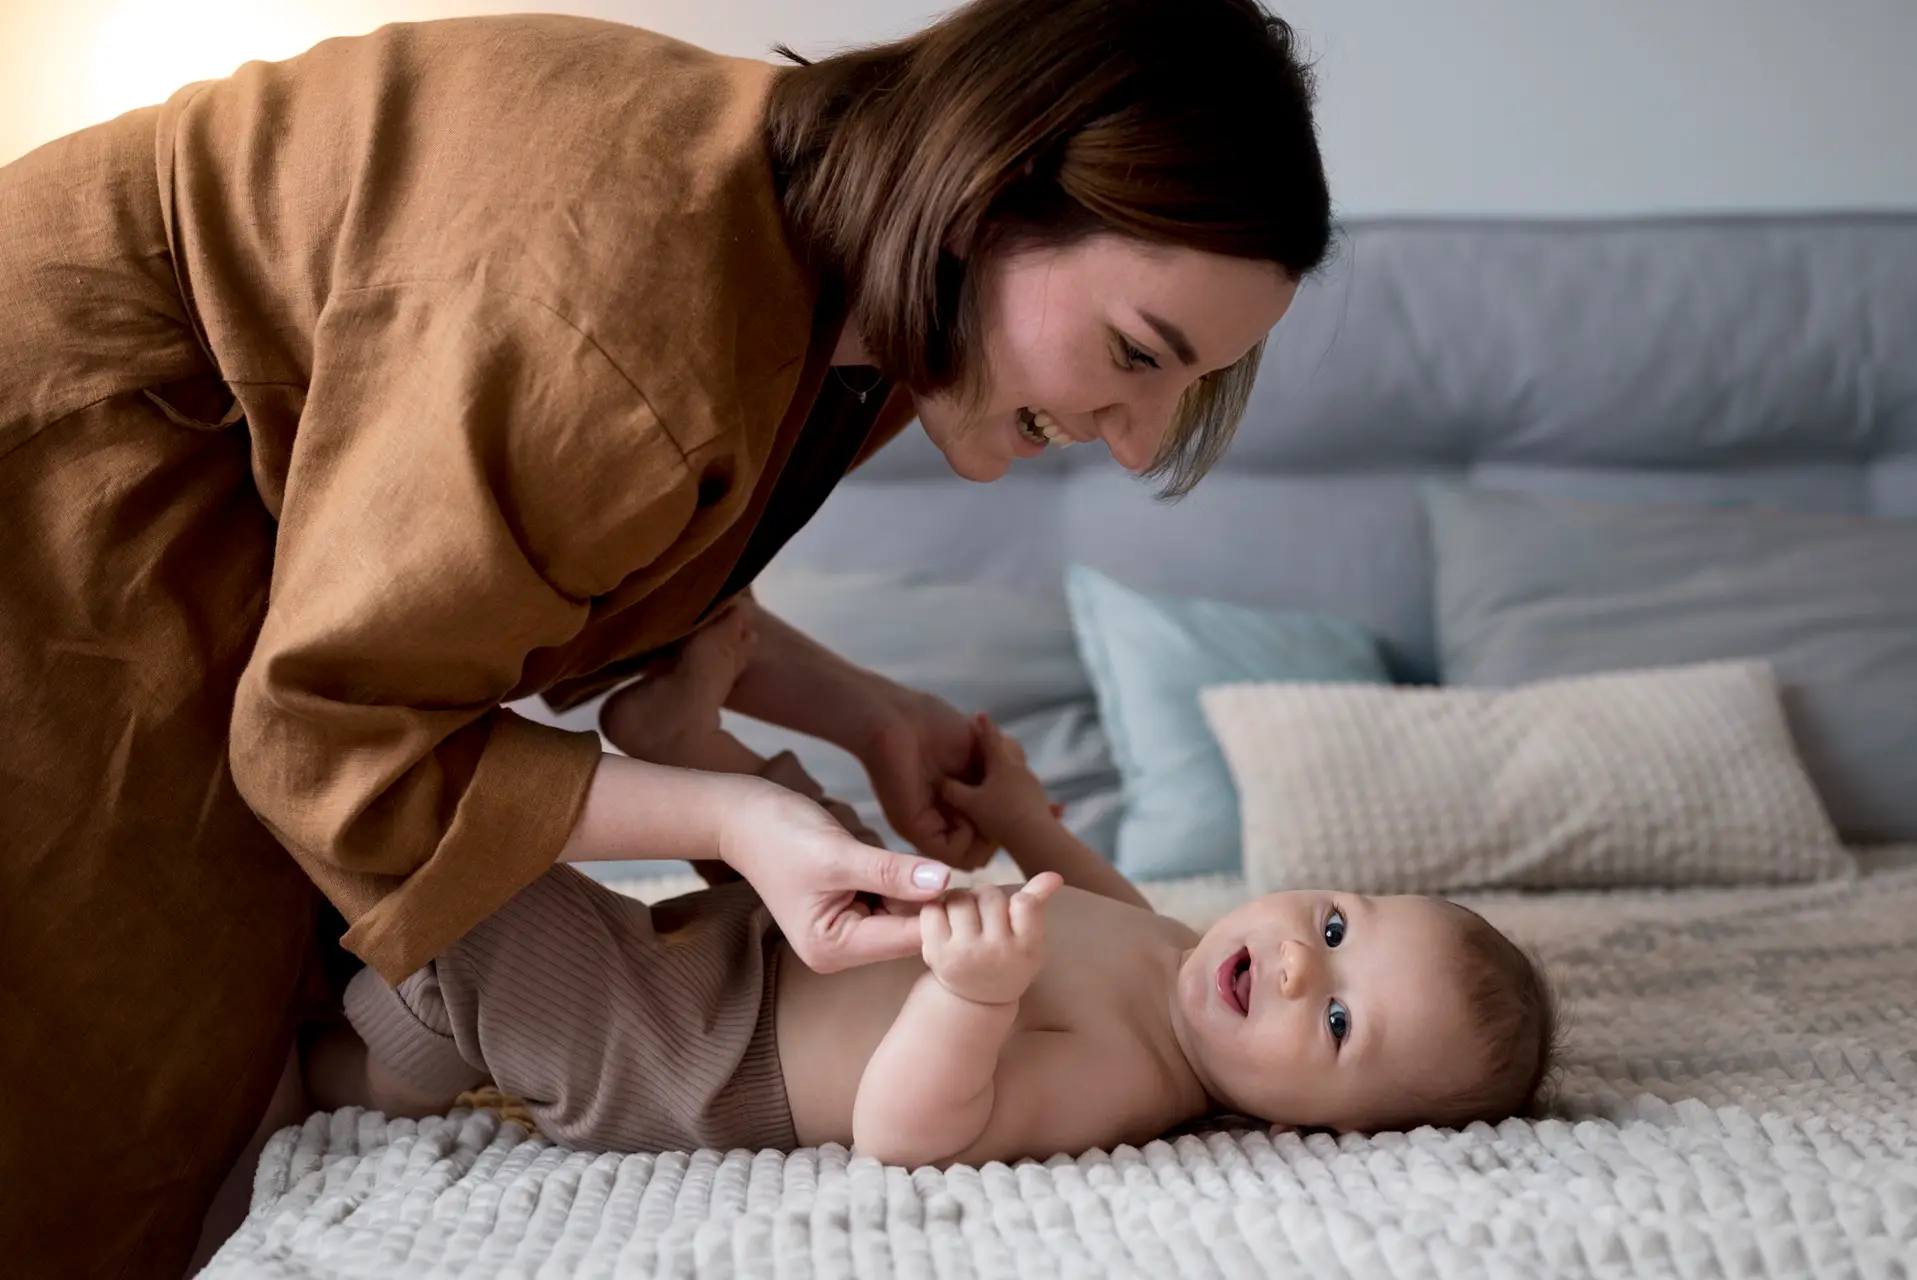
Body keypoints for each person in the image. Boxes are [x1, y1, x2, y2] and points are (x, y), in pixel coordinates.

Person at [0, 0, 1331, 1271]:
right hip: (72, 478)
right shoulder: (631, 322)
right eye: (1138, 354)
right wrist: (726, 818)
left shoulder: (862, 302)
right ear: (991, 204)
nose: (1139, 438)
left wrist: (858, 712)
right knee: (109, 1111)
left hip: (241, 530)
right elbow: (330, 740)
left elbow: (593, 549)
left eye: (1189, 386)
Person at [315, 599, 1561, 1163]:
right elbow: (1078, 886)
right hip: (785, 942)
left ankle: (361, 1072)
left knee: (485, 924)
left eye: (1336, 1018)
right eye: (1336, 923)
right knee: (833, 831)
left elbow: (913, 1136)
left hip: (706, 1051)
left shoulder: (1128, 1079)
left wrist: (970, 1000)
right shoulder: (1173, 946)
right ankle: (685, 745)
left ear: (1306, 1130)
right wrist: (1017, 810)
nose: (1297, 960)